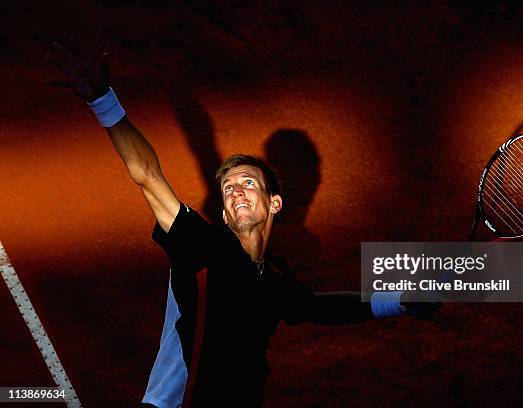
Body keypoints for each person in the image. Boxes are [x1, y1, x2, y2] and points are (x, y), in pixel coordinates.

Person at [46, 42, 439, 408]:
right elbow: (147, 174)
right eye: (228, 188)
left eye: (248, 183)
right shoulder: (200, 246)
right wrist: (104, 102)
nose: (236, 191)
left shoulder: (275, 276)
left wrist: (400, 301)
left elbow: (316, 306)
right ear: (223, 214)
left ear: (275, 203)